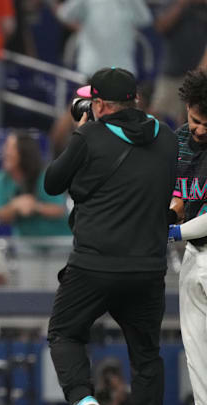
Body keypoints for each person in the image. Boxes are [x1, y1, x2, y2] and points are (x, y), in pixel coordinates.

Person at [44, 67, 177, 405]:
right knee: (146, 356)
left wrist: (82, 133)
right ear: (136, 100)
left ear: (100, 105)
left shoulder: (89, 137)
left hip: (94, 265)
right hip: (148, 268)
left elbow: (52, 183)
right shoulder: (168, 138)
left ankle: (85, 402)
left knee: (65, 333)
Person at [163, 69, 207, 405]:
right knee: (197, 356)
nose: (201, 129)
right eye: (196, 120)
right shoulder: (176, 141)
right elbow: (176, 196)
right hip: (194, 256)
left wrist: (174, 230)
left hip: (195, 241)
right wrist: (173, 208)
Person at [0, 131, 71, 237]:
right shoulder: (0, 179)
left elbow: (59, 209)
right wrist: (15, 206)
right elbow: (0, 215)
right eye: (6, 147)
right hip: (26, 242)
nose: (6, 152)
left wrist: (35, 206)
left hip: (57, 239)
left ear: (24, 152)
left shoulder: (45, 175)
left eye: (12, 148)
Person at [54, 0, 152, 76]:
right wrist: (81, 28)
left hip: (122, 70)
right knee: (84, 101)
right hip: (91, 69)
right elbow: (65, 14)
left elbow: (146, 19)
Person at [150, 0, 207, 126]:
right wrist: (182, 3)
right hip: (173, 70)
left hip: (200, 72)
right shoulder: (171, 3)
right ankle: (161, 143)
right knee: (156, 114)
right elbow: (161, 26)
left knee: (195, 117)